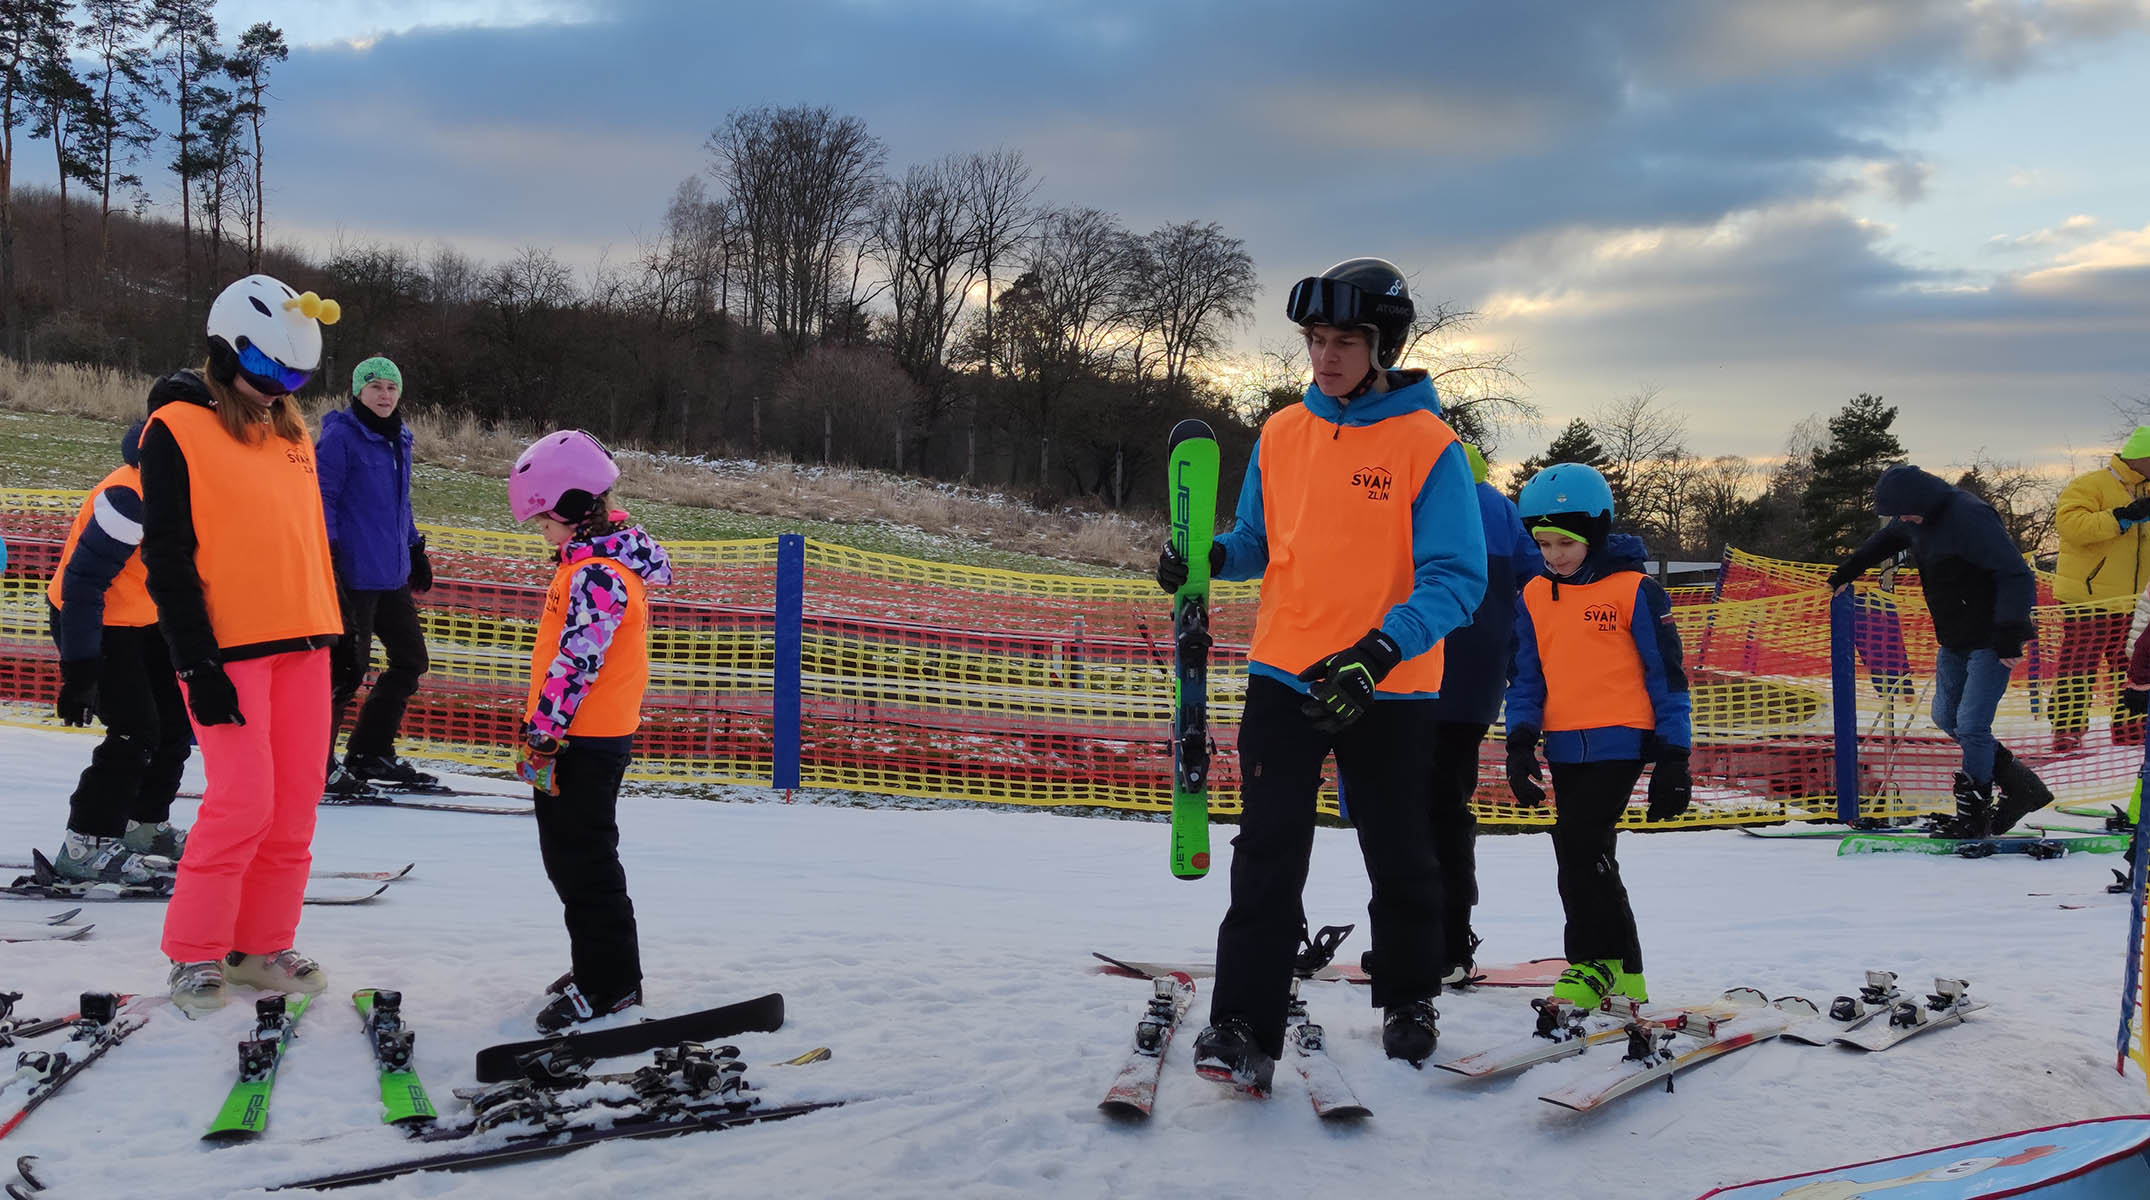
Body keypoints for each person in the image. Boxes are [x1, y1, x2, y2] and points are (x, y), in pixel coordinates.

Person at [1156, 257, 1485, 1087]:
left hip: (1389, 684)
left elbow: (1457, 577)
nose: (1326, 356)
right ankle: (1242, 1022)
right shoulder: (1282, 433)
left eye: (1345, 340)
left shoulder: (1430, 446)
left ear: (1383, 346)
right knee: (1267, 848)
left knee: (1400, 850)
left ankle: (1409, 996)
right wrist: (1210, 557)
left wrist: (1381, 649)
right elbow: (1260, 542)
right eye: (1315, 339)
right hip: (1286, 672)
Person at [141, 274, 343, 1017]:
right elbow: (166, 555)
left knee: (294, 805)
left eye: (296, 376)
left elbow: (302, 540)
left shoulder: (291, 432)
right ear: (225, 352)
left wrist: (336, 630)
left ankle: (260, 946)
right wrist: (195, 658)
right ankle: (195, 951)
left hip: (305, 641)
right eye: (266, 370)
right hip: (228, 650)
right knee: (243, 801)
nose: (278, 389)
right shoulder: (175, 429)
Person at [1503, 463, 1691, 1009]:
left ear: (1596, 532)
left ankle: (1592, 960)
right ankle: (1626, 970)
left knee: (1579, 844)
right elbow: (1527, 678)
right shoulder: (1533, 595)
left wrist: (1674, 756)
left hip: (1622, 738)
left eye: (1566, 542)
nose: (1555, 555)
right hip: (1564, 742)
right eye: (1544, 544)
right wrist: (1520, 743)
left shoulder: (1635, 591)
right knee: (1585, 851)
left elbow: (1667, 677)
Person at [508, 430, 674, 1034]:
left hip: (581, 740)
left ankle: (610, 984)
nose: (540, 529)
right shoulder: (593, 564)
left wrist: (543, 733)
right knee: (573, 858)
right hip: (582, 736)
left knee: (584, 863)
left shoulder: (598, 574)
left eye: (544, 517)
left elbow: (578, 662)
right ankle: (598, 965)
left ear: (576, 507)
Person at [1827, 465, 2050, 837]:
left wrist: (2010, 631)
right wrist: (1846, 572)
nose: (1901, 520)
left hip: (1992, 639)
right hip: (1954, 638)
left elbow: (2016, 574)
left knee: (1972, 725)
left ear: (1921, 502)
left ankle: (1974, 815)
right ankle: (2022, 787)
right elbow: (1883, 542)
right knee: (1946, 716)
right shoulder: (1914, 519)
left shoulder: (1970, 517)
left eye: (1904, 513)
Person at [45, 420, 192, 883]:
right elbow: (82, 585)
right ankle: (84, 845)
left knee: (174, 725)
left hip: (144, 617)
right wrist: (80, 669)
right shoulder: (129, 497)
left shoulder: (192, 488)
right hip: (93, 620)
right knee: (134, 731)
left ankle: (143, 827)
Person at [317, 354, 437, 795]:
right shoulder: (340, 437)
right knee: (346, 672)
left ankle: (370, 752)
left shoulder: (399, 437)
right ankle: (317, 765)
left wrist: (415, 546)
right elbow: (322, 496)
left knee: (411, 660)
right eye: (375, 387)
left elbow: (398, 503)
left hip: (391, 574)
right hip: (353, 575)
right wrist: (328, 552)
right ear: (358, 392)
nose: (385, 395)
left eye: (391, 388)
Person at [2049, 427, 2150, 752]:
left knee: (2132, 666)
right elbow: (2071, 526)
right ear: (2142, 457)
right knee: (2078, 667)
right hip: (2088, 598)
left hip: (2135, 601)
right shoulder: (2091, 484)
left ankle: (2131, 728)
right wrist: (2121, 517)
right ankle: (2067, 730)